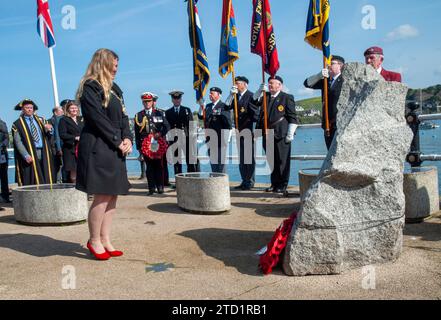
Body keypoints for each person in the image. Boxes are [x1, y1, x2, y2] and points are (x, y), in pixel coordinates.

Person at [76, 48, 132, 260]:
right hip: (99, 146)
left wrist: (128, 138)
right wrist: (118, 141)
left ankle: (106, 238)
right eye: (113, 65)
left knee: (113, 195)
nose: (116, 69)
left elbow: (124, 117)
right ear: (103, 64)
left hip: (115, 147)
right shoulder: (90, 86)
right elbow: (96, 118)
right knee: (102, 196)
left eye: (117, 66)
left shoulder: (115, 88)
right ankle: (94, 240)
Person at [254, 76, 298, 196]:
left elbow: (292, 117)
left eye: (272, 83)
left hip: (281, 133)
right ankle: (274, 184)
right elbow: (253, 102)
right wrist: (259, 91)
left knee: (282, 161)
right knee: (271, 161)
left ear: (280, 85)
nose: (269, 85)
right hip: (267, 134)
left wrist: (290, 133)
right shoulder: (265, 97)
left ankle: (282, 185)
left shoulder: (286, 97)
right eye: (269, 83)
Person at [304, 55, 345, 149]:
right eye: (328, 63)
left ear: (340, 66)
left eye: (332, 63)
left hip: (339, 123)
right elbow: (307, 83)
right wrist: (319, 75)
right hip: (327, 125)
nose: (328, 65)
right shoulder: (325, 82)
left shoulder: (344, 80)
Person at [224, 76, 258, 190]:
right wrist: (230, 95)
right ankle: (244, 180)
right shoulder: (235, 96)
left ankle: (250, 181)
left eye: (238, 83)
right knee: (242, 158)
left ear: (245, 84)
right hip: (239, 131)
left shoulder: (251, 96)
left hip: (248, 131)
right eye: (235, 83)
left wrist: (254, 132)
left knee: (249, 158)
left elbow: (255, 116)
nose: (236, 85)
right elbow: (226, 106)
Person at [11, 99, 55, 186]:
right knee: (32, 176)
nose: (29, 109)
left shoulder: (41, 120)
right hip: (30, 152)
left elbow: (49, 134)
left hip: (43, 151)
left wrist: (50, 129)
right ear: (23, 109)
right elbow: (18, 142)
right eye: (27, 107)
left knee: (46, 172)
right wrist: (25, 155)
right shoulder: (17, 124)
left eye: (31, 107)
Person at [134, 92, 170, 195]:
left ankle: (160, 187)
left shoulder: (159, 113)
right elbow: (137, 133)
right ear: (142, 103)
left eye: (149, 101)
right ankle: (151, 188)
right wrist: (139, 148)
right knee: (149, 168)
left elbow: (167, 126)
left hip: (158, 144)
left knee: (159, 166)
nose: (147, 104)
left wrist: (160, 134)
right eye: (145, 102)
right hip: (145, 146)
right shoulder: (138, 115)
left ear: (152, 102)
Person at [165, 90, 200, 179]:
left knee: (190, 161)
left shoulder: (186, 110)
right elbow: (167, 126)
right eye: (175, 98)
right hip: (174, 140)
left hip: (186, 139)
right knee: (177, 162)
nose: (177, 100)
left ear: (181, 99)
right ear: (172, 100)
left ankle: (191, 179)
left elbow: (191, 125)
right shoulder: (168, 112)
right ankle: (179, 181)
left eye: (178, 98)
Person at [198, 87, 232, 173]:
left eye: (212, 93)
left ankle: (221, 182)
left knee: (221, 162)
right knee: (213, 162)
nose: (210, 95)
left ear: (219, 95)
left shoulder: (224, 106)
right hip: (210, 138)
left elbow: (228, 123)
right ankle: (214, 180)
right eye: (210, 93)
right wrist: (201, 106)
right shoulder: (208, 106)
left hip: (221, 138)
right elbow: (201, 116)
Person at [58, 100, 84, 183]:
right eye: (72, 108)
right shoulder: (63, 120)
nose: (74, 110)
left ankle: (86, 192)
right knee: (74, 170)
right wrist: (75, 138)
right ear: (68, 109)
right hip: (70, 149)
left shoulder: (82, 119)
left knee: (84, 169)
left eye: (75, 108)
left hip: (83, 148)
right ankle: (75, 191)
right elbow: (62, 134)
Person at [152, 93, 170, 187]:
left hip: (161, 141)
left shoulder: (161, 113)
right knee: (152, 162)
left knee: (163, 162)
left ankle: (165, 181)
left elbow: (167, 126)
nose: (153, 103)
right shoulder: (144, 113)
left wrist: (161, 134)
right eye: (152, 101)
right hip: (150, 142)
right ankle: (154, 182)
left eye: (154, 101)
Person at [49, 105, 65, 182]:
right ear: (56, 112)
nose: (63, 113)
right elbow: (56, 135)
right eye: (61, 111)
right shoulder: (52, 121)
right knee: (58, 165)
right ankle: (58, 181)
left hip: (58, 146)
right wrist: (58, 148)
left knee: (61, 165)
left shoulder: (60, 119)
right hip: (55, 147)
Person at [0, 117, 10, 203]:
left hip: (1, 152)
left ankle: (5, 196)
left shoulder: (1, 123)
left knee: (3, 175)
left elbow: (6, 137)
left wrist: (2, 146)